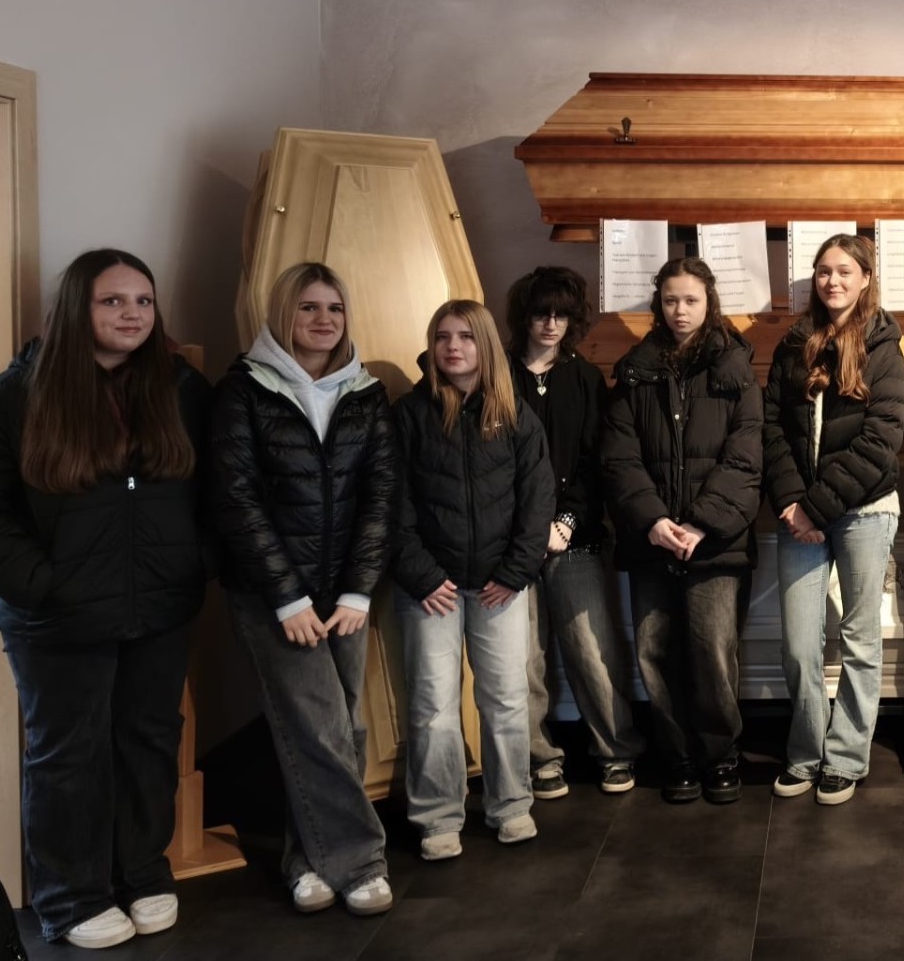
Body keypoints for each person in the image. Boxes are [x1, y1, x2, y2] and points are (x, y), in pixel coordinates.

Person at [0, 249, 209, 949]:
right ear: (78, 307)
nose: (132, 313)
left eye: (143, 300)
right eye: (113, 300)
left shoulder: (180, 388)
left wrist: (194, 565)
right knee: (67, 755)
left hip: (158, 607)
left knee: (149, 741)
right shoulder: (11, 397)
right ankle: (70, 897)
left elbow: (220, 489)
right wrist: (46, 587)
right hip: (56, 618)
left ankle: (143, 871)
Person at [209, 262, 396, 916]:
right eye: (309, 307)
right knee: (319, 726)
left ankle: (306, 859)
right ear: (283, 313)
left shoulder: (365, 392)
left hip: (344, 594)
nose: (323, 320)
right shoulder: (243, 390)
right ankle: (361, 861)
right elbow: (235, 500)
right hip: (272, 597)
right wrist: (287, 598)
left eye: (334, 308)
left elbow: (380, 497)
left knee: (340, 725)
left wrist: (358, 591)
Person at [390, 300, 554, 859]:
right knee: (432, 705)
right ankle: (438, 816)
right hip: (429, 589)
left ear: (484, 345)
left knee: (505, 697)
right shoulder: (410, 414)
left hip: (497, 586)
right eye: (442, 336)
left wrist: (514, 572)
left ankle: (511, 804)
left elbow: (537, 500)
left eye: (465, 336)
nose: (453, 347)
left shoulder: (514, 414)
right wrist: (420, 574)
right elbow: (391, 502)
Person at [600, 258, 762, 806]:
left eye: (691, 300)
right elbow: (619, 457)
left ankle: (721, 755)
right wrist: (653, 520)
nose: (680, 311)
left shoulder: (736, 368)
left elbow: (745, 458)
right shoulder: (635, 371)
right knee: (655, 650)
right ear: (659, 304)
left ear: (709, 301)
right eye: (671, 300)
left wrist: (700, 523)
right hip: (651, 540)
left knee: (712, 651)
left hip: (715, 541)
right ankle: (679, 756)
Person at [764, 235, 904, 807]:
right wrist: (792, 500)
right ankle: (805, 753)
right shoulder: (793, 343)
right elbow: (772, 427)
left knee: (859, 640)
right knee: (800, 644)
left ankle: (846, 757)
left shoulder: (885, 345)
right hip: (798, 511)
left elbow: (881, 441)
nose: (833, 281)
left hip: (865, 510)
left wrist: (815, 507)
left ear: (866, 277)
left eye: (845, 271)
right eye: (824, 271)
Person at [503, 267, 643, 798]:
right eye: (542, 313)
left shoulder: (584, 378)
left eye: (562, 315)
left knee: (593, 651)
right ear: (524, 316)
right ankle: (539, 758)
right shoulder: (497, 375)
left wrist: (565, 522)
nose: (551, 324)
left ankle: (616, 750)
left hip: (574, 536)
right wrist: (526, 528)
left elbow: (594, 461)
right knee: (523, 660)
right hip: (510, 541)